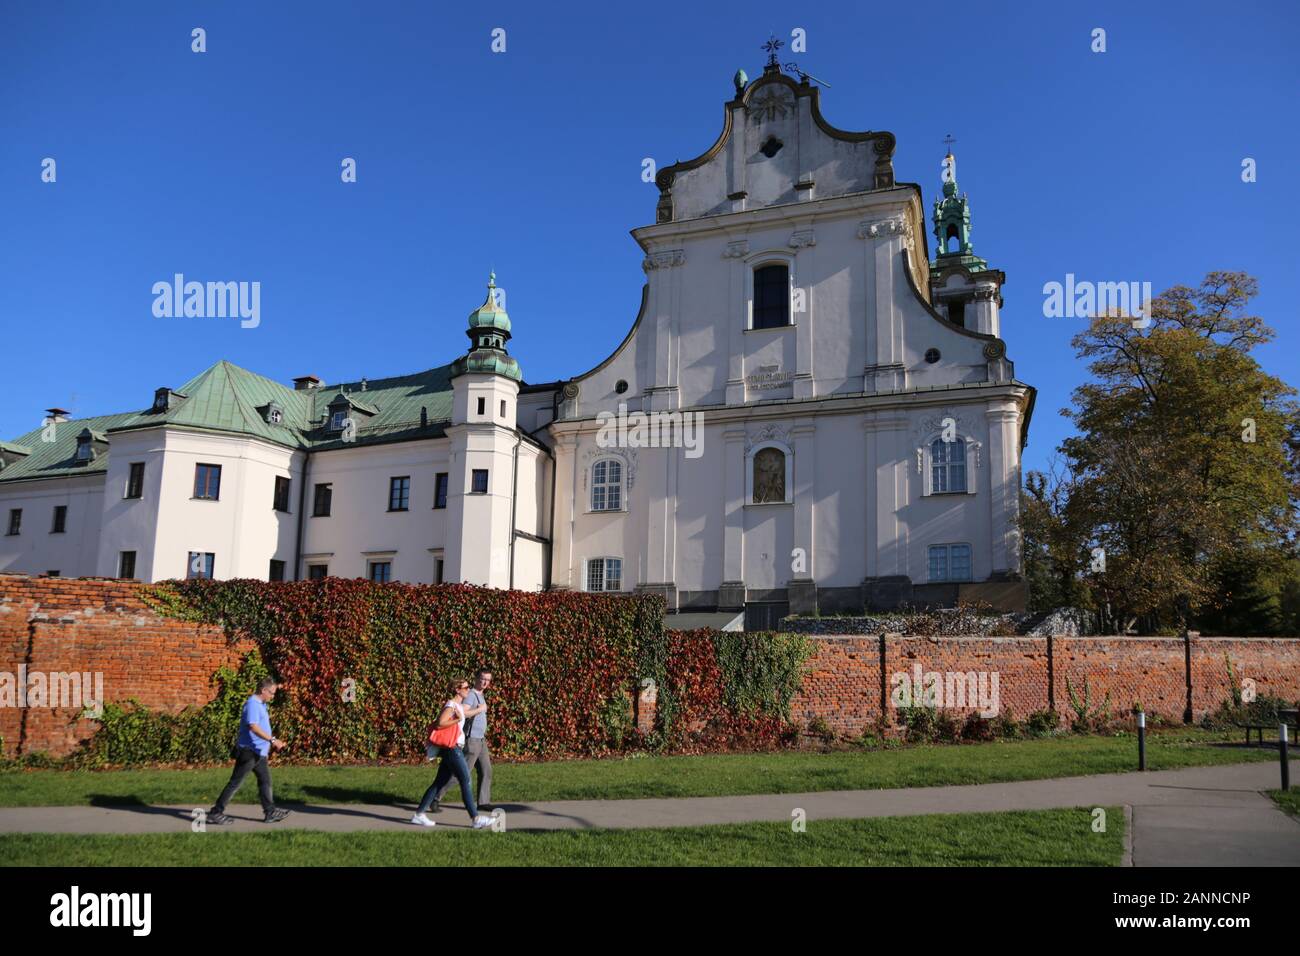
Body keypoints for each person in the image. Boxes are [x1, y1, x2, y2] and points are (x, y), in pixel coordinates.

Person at [411, 679, 494, 829]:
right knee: (465, 779)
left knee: (439, 782)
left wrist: (463, 716)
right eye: (466, 687)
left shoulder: (458, 706)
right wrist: (457, 719)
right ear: (457, 690)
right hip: (452, 748)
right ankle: (475, 818)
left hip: (454, 747)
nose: (468, 689)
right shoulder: (451, 705)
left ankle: (419, 815)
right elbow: (440, 723)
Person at [208, 677, 290, 825]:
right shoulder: (252, 704)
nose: (273, 696)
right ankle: (216, 812)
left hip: (259, 752)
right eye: (271, 693)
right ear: (263, 690)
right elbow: (253, 726)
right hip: (249, 752)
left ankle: (270, 812)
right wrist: (273, 740)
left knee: (265, 781)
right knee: (235, 783)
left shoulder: (261, 704)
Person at [430, 668, 493, 813]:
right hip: (472, 741)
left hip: (481, 740)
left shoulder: (480, 695)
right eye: (482, 678)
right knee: (460, 774)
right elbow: (463, 712)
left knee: (486, 770)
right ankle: (435, 798)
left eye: (488, 680)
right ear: (476, 678)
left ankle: (483, 802)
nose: (485, 682)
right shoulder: (471, 695)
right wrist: (479, 710)